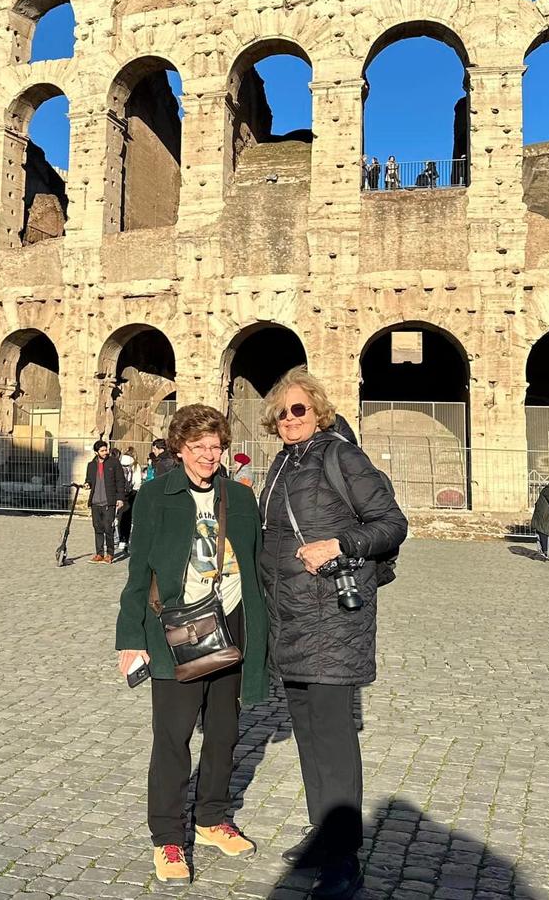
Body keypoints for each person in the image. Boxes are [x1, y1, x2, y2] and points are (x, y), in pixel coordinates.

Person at [259, 367, 408, 900]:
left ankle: (344, 858)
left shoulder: (340, 455)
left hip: (332, 622)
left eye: (299, 409)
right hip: (290, 620)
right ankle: (323, 835)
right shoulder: (281, 464)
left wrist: (339, 545)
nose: (289, 418)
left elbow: (391, 522)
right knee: (308, 738)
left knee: (334, 740)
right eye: (281, 411)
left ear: (318, 411)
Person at [116, 404, 267, 886]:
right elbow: (138, 572)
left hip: (232, 627)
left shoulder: (240, 498)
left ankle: (210, 820)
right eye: (199, 446)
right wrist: (129, 639)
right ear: (180, 448)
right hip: (175, 631)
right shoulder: (157, 496)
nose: (209, 454)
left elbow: (259, 564)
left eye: (216, 446)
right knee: (173, 741)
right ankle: (168, 839)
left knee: (224, 734)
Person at [84, 440, 126, 562]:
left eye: (106, 449)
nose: (105, 452)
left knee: (108, 528)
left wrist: (120, 498)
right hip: (95, 502)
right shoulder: (91, 465)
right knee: (97, 528)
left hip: (109, 501)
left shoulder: (114, 463)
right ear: (97, 452)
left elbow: (120, 481)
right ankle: (99, 553)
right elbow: (89, 479)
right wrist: (87, 484)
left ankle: (110, 554)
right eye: (102, 450)